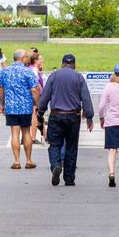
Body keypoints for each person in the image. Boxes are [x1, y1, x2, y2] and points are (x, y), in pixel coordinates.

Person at [37, 52, 96, 187]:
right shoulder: (79, 77)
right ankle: (69, 179)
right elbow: (85, 97)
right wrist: (89, 116)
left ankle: (56, 165)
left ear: (62, 63)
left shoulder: (54, 76)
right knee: (71, 147)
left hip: (56, 115)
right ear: (74, 64)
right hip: (73, 116)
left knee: (55, 144)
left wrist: (40, 112)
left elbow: (45, 96)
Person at [0, 47, 41, 169]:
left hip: (11, 107)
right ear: (22, 58)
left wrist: (2, 104)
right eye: (27, 57)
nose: (28, 59)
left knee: (14, 133)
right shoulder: (28, 72)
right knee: (26, 132)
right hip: (25, 106)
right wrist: (38, 104)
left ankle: (16, 161)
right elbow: (34, 90)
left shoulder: (5, 71)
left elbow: (1, 90)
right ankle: (28, 160)